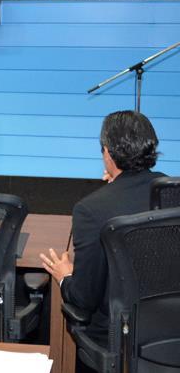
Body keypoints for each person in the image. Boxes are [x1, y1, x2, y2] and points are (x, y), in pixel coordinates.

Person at [39, 110, 164, 345]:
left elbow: (84, 298)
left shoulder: (91, 210)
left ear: (107, 153)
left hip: (117, 334)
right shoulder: (172, 192)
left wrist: (65, 275)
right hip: (169, 325)